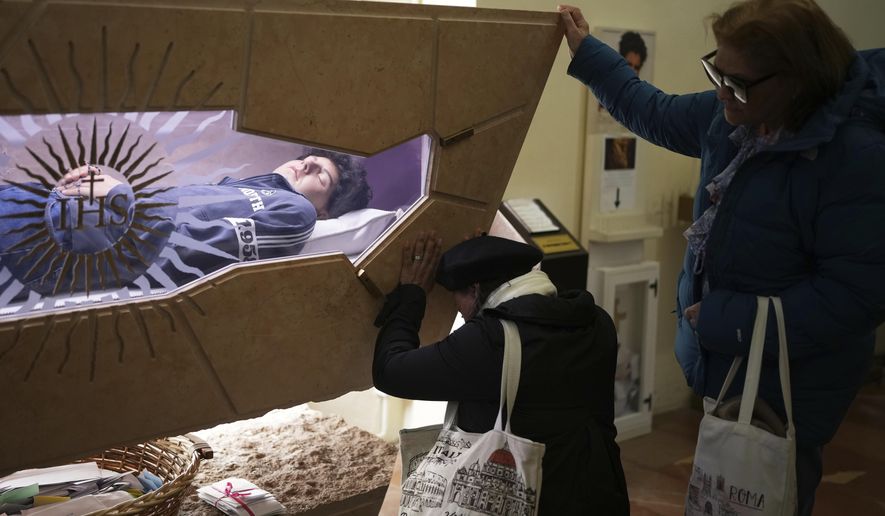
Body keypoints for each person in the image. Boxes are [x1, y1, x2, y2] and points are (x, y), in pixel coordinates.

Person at [559, 1, 885, 514]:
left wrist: (726, 321)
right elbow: (655, 110)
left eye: (738, 83)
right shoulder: (735, 114)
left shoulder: (854, 155)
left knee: (769, 491)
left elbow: (855, 295)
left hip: (790, 385)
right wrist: (590, 53)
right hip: (732, 365)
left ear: (799, 80)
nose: (720, 92)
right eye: (716, 71)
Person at [373, 232, 630, 515]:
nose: (461, 314)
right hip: (599, 491)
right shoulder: (596, 321)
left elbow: (389, 371)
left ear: (474, 289)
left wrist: (412, 293)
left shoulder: (493, 340)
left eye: (457, 300)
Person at [0, 148, 371, 297]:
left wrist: (115, 193)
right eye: (310, 157)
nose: (306, 163)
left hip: (67, 243)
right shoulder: (239, 187)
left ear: (324, 211)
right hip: (55, 217)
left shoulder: (297, 213)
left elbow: (189, 254)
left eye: (321, 177)